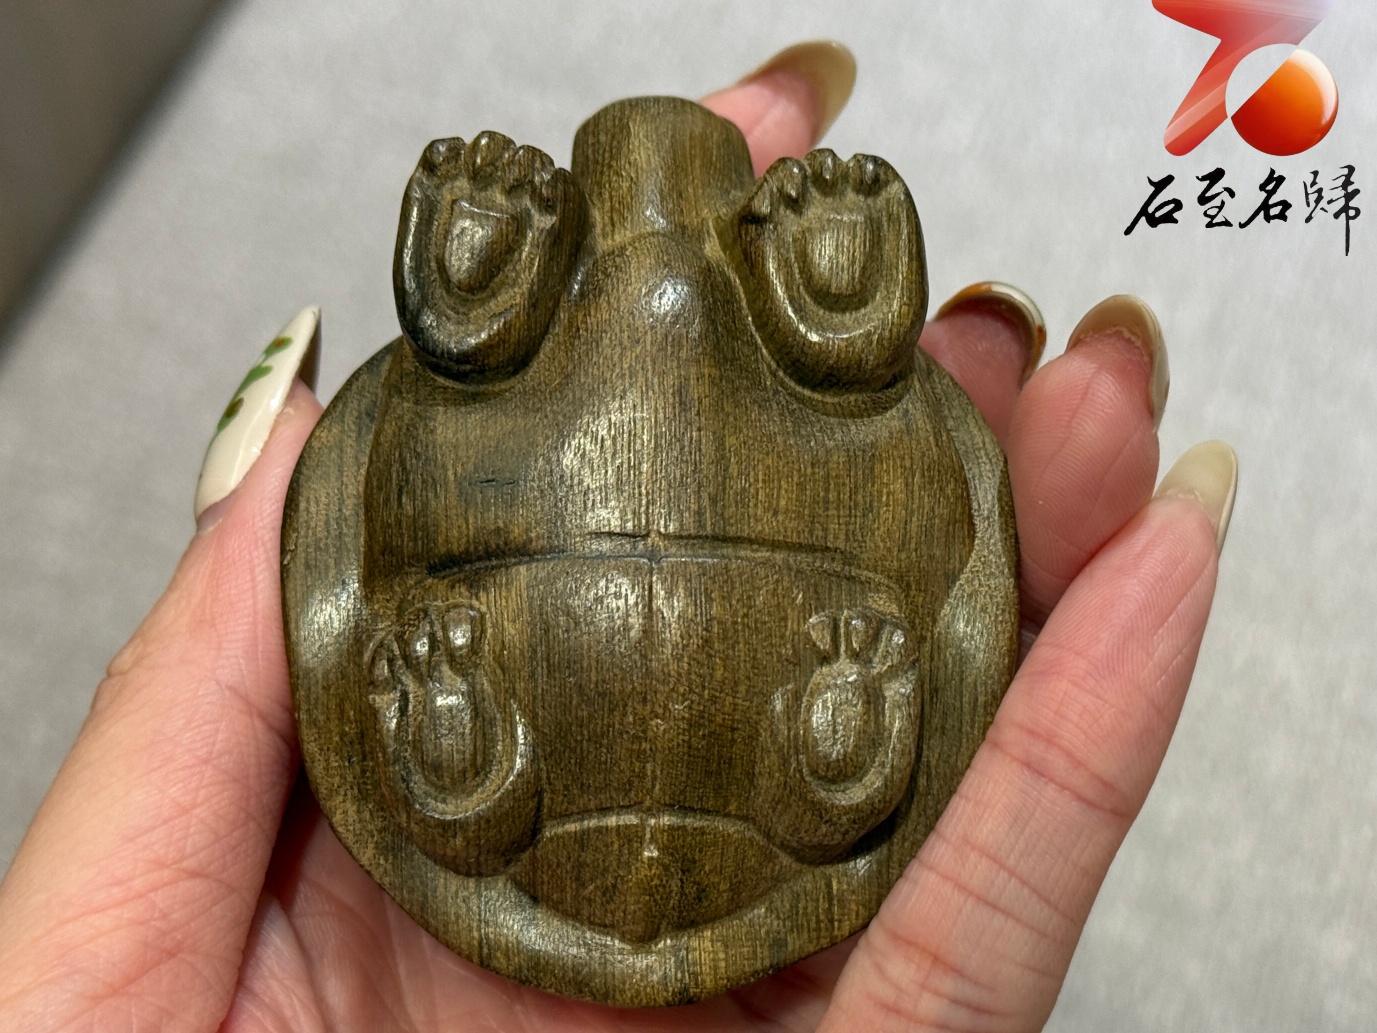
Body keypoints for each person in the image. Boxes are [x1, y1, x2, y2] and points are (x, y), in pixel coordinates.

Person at [0, 41, 1236, 1033]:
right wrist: (839, 288)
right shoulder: (755, 326)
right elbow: (872, 365)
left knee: (493, 394)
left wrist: (475, 282)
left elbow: (440, 358)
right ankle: (795, 769)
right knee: (843, 407)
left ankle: (516, 775)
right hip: (744, 616)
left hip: (571, 636)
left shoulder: (525, 330)